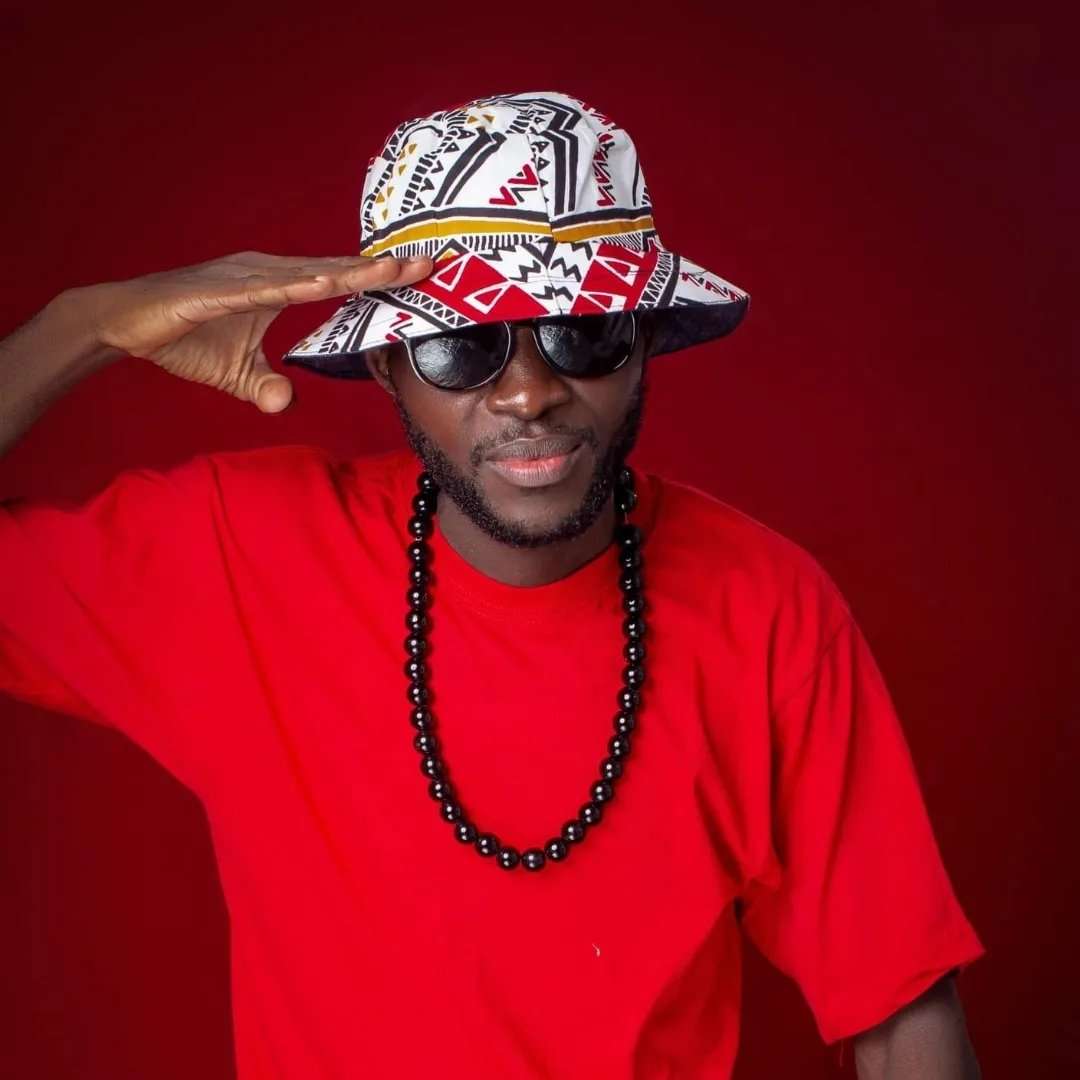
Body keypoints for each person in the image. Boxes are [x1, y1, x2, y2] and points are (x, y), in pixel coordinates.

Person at [0, 91, 984, 1078]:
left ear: (645, 339)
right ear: (387, 366)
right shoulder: (239, 551)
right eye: (461, 345)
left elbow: (901, 1016)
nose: (527, 392)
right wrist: (82, 325)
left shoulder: (765, 607)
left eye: (581, 331)